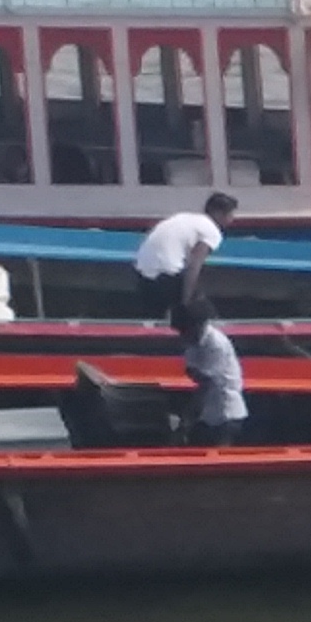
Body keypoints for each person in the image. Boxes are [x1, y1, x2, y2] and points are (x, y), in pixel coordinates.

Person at [131, 191, 233, 324]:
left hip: (142, 271)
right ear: (219, 213)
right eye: (231, 214)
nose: (232, 219)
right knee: (204, 312)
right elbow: (194, 266)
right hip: (166, 272)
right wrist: (187, 301)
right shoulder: (211, 231)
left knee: (155, 317)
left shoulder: (185, 217)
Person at [178, 307, 244, 448]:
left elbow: (206, 383)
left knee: (220, 457)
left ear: (197, 326)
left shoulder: (216, 344)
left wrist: (188, 418)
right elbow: (191, 371)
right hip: (207, 413)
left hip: (225, 413)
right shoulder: (193, 342)